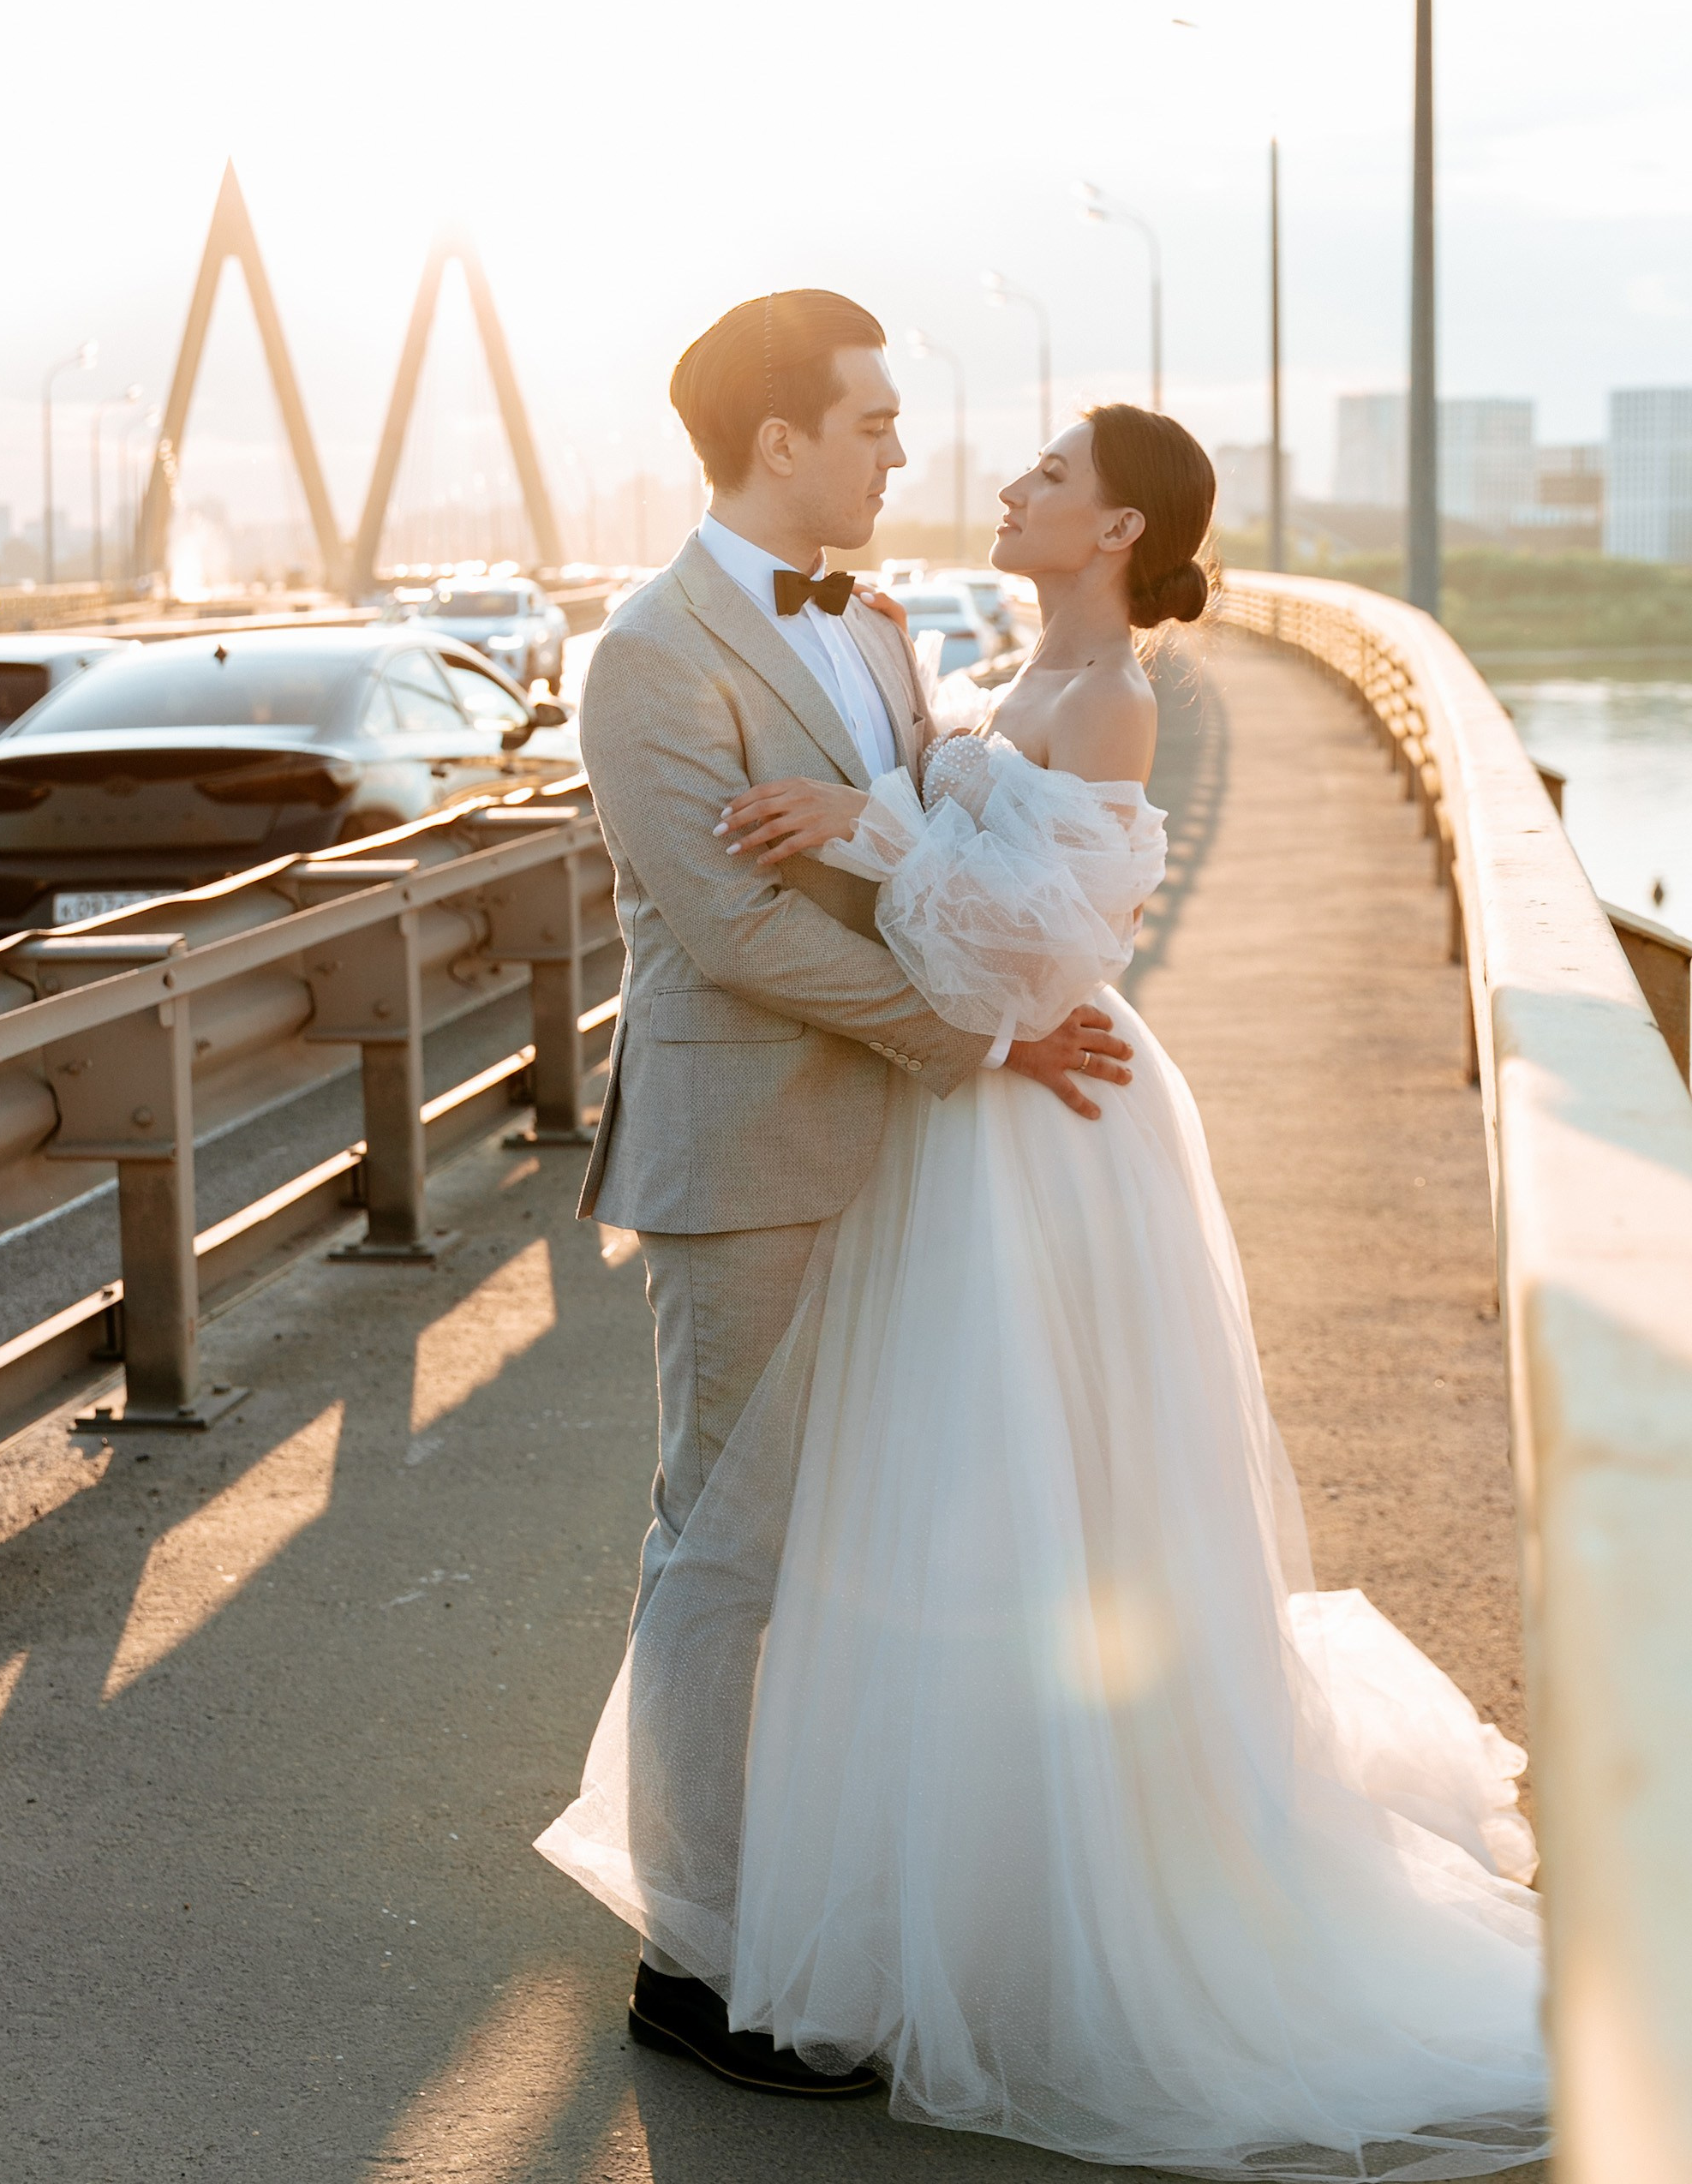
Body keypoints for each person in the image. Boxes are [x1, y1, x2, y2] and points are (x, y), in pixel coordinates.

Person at [541, 394, 1550, 2177]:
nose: (968, 477)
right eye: (875, 423)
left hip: (1018, 1109)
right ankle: (728, 1941)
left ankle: (986, 1903)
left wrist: (864, 830)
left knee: (1012, 1510)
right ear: (778, 433)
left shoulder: (1074, 685)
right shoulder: (740, 647)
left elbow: (1032, 939)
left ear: (1115, 532)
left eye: (1042, 475)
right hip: (924, 1109)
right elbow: (773, 918)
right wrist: (902, 877)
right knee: (819, 1526)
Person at [559, 290, 1138, 2097]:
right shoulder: (648, 653)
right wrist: (976, 1045)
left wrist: (1000, 1000)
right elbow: (724, 931)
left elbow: (934, 861)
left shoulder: (883, 623)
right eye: (873, 419)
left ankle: (831, 1918)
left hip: (907, 1152)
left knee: (864, 1552)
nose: (902, 446)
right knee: (726, 1552)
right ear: (778, 438)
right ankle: (698, 1967)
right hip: (749, 1148)